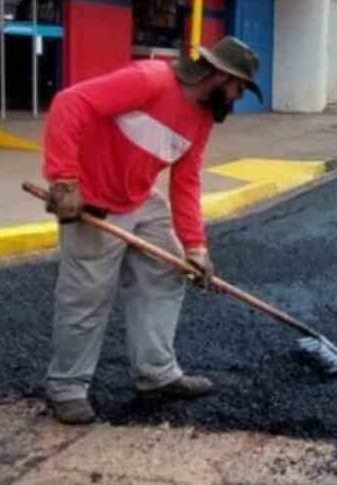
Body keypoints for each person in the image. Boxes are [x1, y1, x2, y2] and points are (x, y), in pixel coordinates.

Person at [41, 37, 262, 425]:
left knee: (170, 270)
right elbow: (69, 103)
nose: (240, 96)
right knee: (88, 297)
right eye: (240, 86)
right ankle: (67, 388)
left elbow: (187, 181)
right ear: (221, 75)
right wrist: (63, 180)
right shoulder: (150, 80)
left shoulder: (202, 117)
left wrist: (195, 247)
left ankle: (157, 373)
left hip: (140, 199)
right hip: (93, 200)